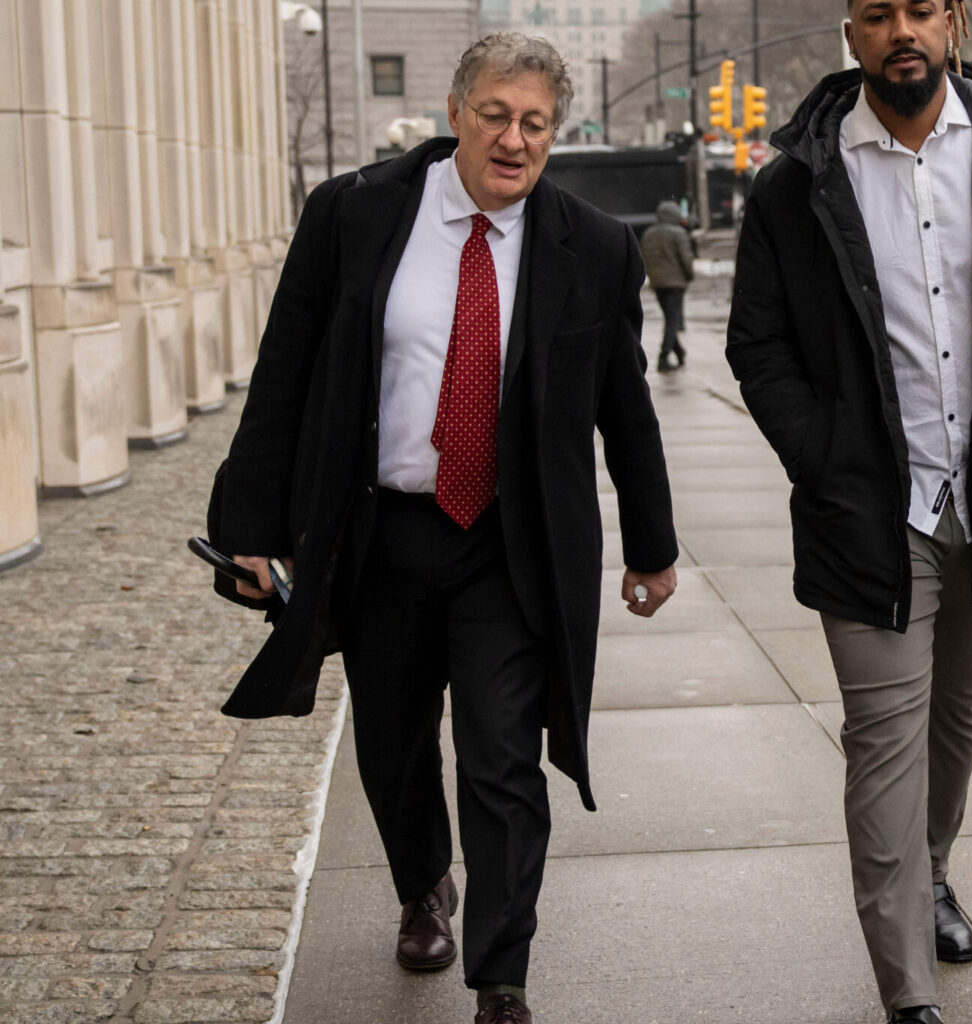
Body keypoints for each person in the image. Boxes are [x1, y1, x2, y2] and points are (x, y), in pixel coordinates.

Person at [212, 33, 678, 1024]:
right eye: (497, 116)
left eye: (536, 123)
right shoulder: (357, 213)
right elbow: (286, 369)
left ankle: (501, 976)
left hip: (510, 547)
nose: (515, 140)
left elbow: (623, 405)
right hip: (385, 535)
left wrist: (653, 542)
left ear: (556, 132)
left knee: (504, 754)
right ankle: (424, 884)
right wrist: (250, 523)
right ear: (456, 113)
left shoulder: (591, 245)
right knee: (389, 739)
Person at [724, 0, 972, 1019]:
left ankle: (931, 869)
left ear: (952, 21)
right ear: (850, 34)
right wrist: (822, 456)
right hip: (869, 507)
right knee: (885, 730)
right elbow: (757, 345)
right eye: (876, 13)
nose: (901, 29)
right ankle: (907, 991)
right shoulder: (795, 182)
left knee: (959, 708)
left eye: (921, 9)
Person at [640, 200, 695, 371]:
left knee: (669, 318)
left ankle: (679, 352)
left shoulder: (649, 234)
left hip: (657, 283)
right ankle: (663, 357)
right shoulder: (678, 233)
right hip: (675, 283)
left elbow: (644, 259)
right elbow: (686, 258)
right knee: (672, 320)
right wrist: (689, 276)